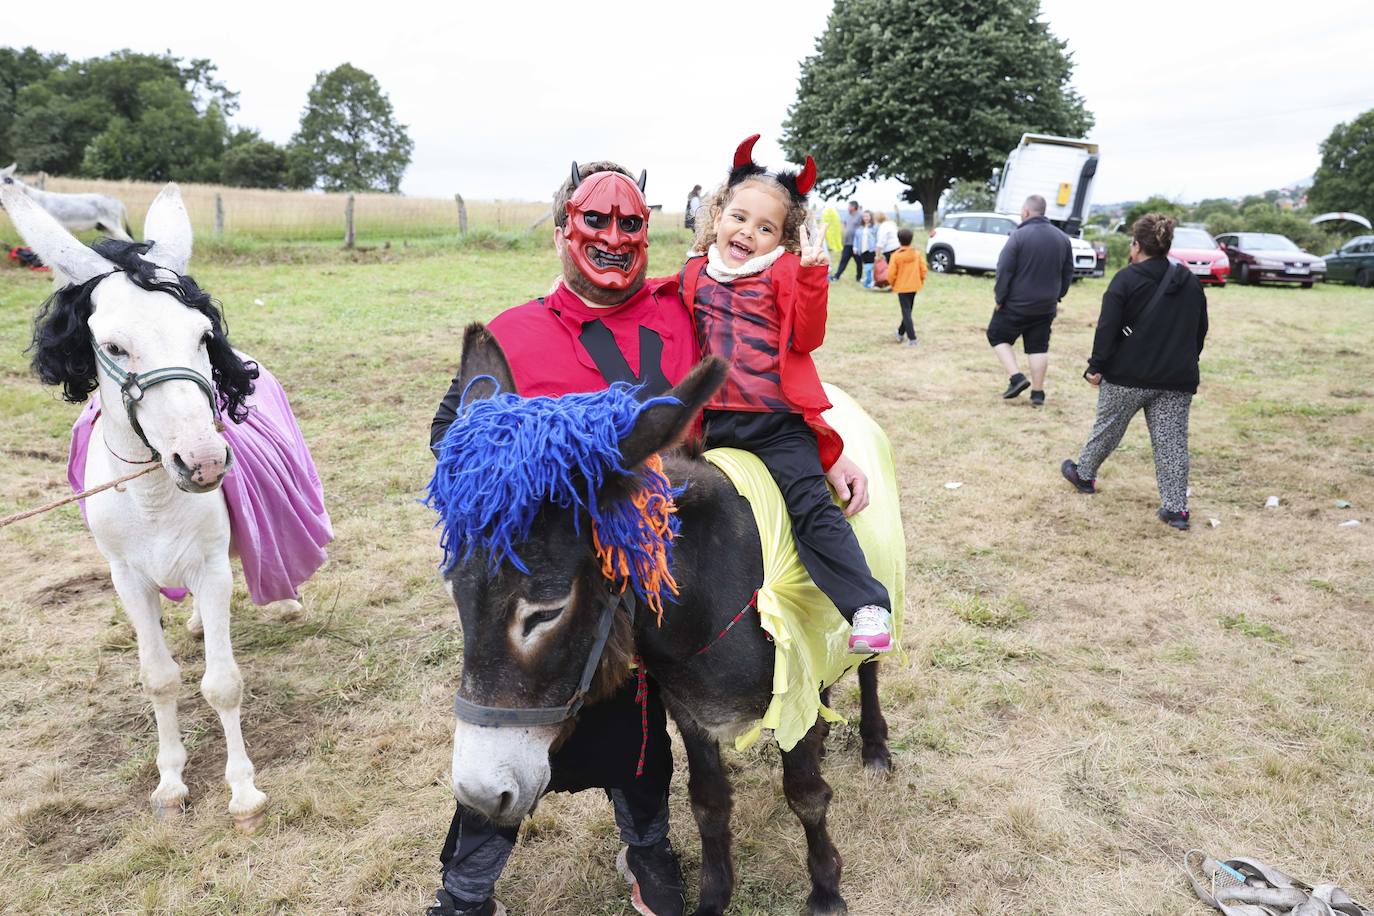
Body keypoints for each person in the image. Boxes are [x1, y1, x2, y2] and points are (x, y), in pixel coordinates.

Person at [426, 160, 875, 916]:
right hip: (556, 565)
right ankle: (466, 889)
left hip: (665, 562)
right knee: (513, 692)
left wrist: (828, 442)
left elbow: (770, 361)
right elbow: (454, 437)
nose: (610, 237)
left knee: (645, 723)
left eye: (628, 222)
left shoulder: (683, 303)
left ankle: (650, 852)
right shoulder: (514, 332)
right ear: (565, 225)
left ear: (647, 231)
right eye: (593, 221)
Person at [680, 134, 894, 655]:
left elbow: (807, 335)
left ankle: (867, 605)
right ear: (718, 215)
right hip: (712, 424)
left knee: (811, 508)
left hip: (774, 423)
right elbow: (658, 308)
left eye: (765, 227)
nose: (747, 232)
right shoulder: (694, 272)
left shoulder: (781, 271)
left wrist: (814, 274)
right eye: (739, 217)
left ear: (782, 239)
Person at [1061, 213, 1208, 531]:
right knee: (1172, 444)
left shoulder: (1125, 279)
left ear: (1137, 245)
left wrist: (1096, 366)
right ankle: (1176, 509)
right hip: (1176, 377)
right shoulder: (1190, 282)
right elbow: (1200, 330)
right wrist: (1184, 360)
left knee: (1108, 428)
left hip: (1127, 374)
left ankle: (1084, 475)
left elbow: (1108, 328)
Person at [987, 194, 1073, 407]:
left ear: (1025, 212)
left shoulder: (1018, 236)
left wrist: (1000, 298)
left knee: (996, 334)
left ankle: (1016, 378)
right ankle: (1038, 393)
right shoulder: (1062, 238)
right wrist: (1058, 295)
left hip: (1016, 304)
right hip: (1046, 305)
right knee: (1038, 347)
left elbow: (1004, 269)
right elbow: (1068, 271)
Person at [887, 227, 927, 346]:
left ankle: (912, 338)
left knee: (906, 312)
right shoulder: (917, 254)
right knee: (908, 311)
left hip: (902, 287)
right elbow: (923, 269)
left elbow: (890, 274)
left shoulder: (896, 256)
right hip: (914, 286)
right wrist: (920, 280)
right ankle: (900, 333)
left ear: (899, 240)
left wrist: (892, 283)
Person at [829, 200, 863, 283]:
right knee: (843, 260)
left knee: (858, 262)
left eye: (849, 206)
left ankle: (858, 278)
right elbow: (845, 224)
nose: (848, 208)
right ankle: (836, 277)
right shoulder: (847, 215)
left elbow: (863, 227)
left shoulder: (860, 216)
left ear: (854, 207)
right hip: (847, 243)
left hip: (855, 244)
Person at [853, 209, 877, 288]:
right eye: (864, 216)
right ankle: (869, 281)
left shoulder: (874, 227)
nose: (865, 218)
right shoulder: (860, 228)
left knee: (870, 266)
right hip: (862, 250)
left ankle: (870, 282)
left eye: (867, 216)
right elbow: (856, 238)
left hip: (871, 249)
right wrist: (855, 247)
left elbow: (877, 238)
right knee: (866, 266)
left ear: (871, 217)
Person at [874, 211, 900, 284]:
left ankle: (892, 284)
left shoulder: (883, 227)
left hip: (890, 249)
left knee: (891, 269)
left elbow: (881, 242)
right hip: (897, 247)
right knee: (896, 268)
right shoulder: (892, 224)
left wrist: (877, 254)